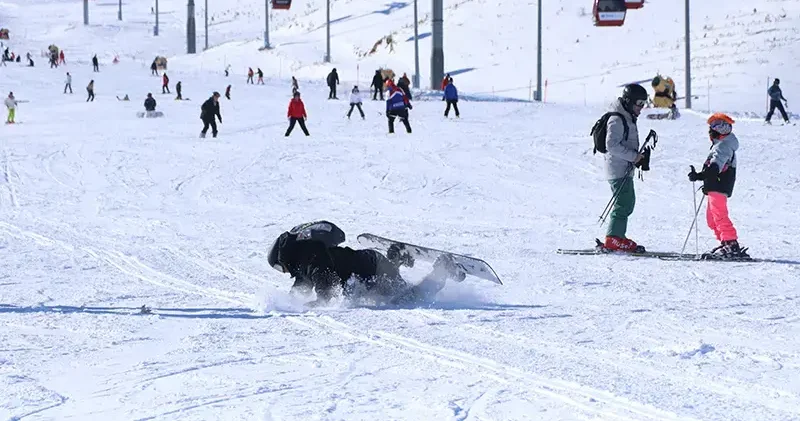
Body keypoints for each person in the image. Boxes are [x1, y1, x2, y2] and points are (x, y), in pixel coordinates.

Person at [267, 221, 463, 306]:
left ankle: (443, 269)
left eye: (278, 267)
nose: (283, 272)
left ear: (282, 259)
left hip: (374, 270)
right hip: (371, 266)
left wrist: (321, 301)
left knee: (407, 300)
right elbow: (301, 287)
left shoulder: (310, 259)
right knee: (388, 293)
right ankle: (397, 257)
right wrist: (289, 303)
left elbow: (324, 278)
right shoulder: (305, 261)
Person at [688, 113, 748, 259]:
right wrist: (701, 176)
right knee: (712, 219)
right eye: (713, 126)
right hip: (715, 186)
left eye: (719, 126)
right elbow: (713, 167)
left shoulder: (724, 145)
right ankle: (725, 243)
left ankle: (731, 244)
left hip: (719, 186)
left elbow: (716, 165)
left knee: (719, 216)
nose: (713, 130)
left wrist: (703, 174)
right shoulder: (719, 145)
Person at [602, 84, 648, 252]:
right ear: (629, 102)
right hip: (617, 169)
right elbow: (612, 145)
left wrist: (638, 157)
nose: (641, 108)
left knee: (627, 202)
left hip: (623, 168)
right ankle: (613, 238)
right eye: (639, 104)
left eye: (644, 104)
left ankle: (617, 236)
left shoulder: (627, 117)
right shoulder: (617, 119)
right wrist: (634, 156)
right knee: (624, 203)